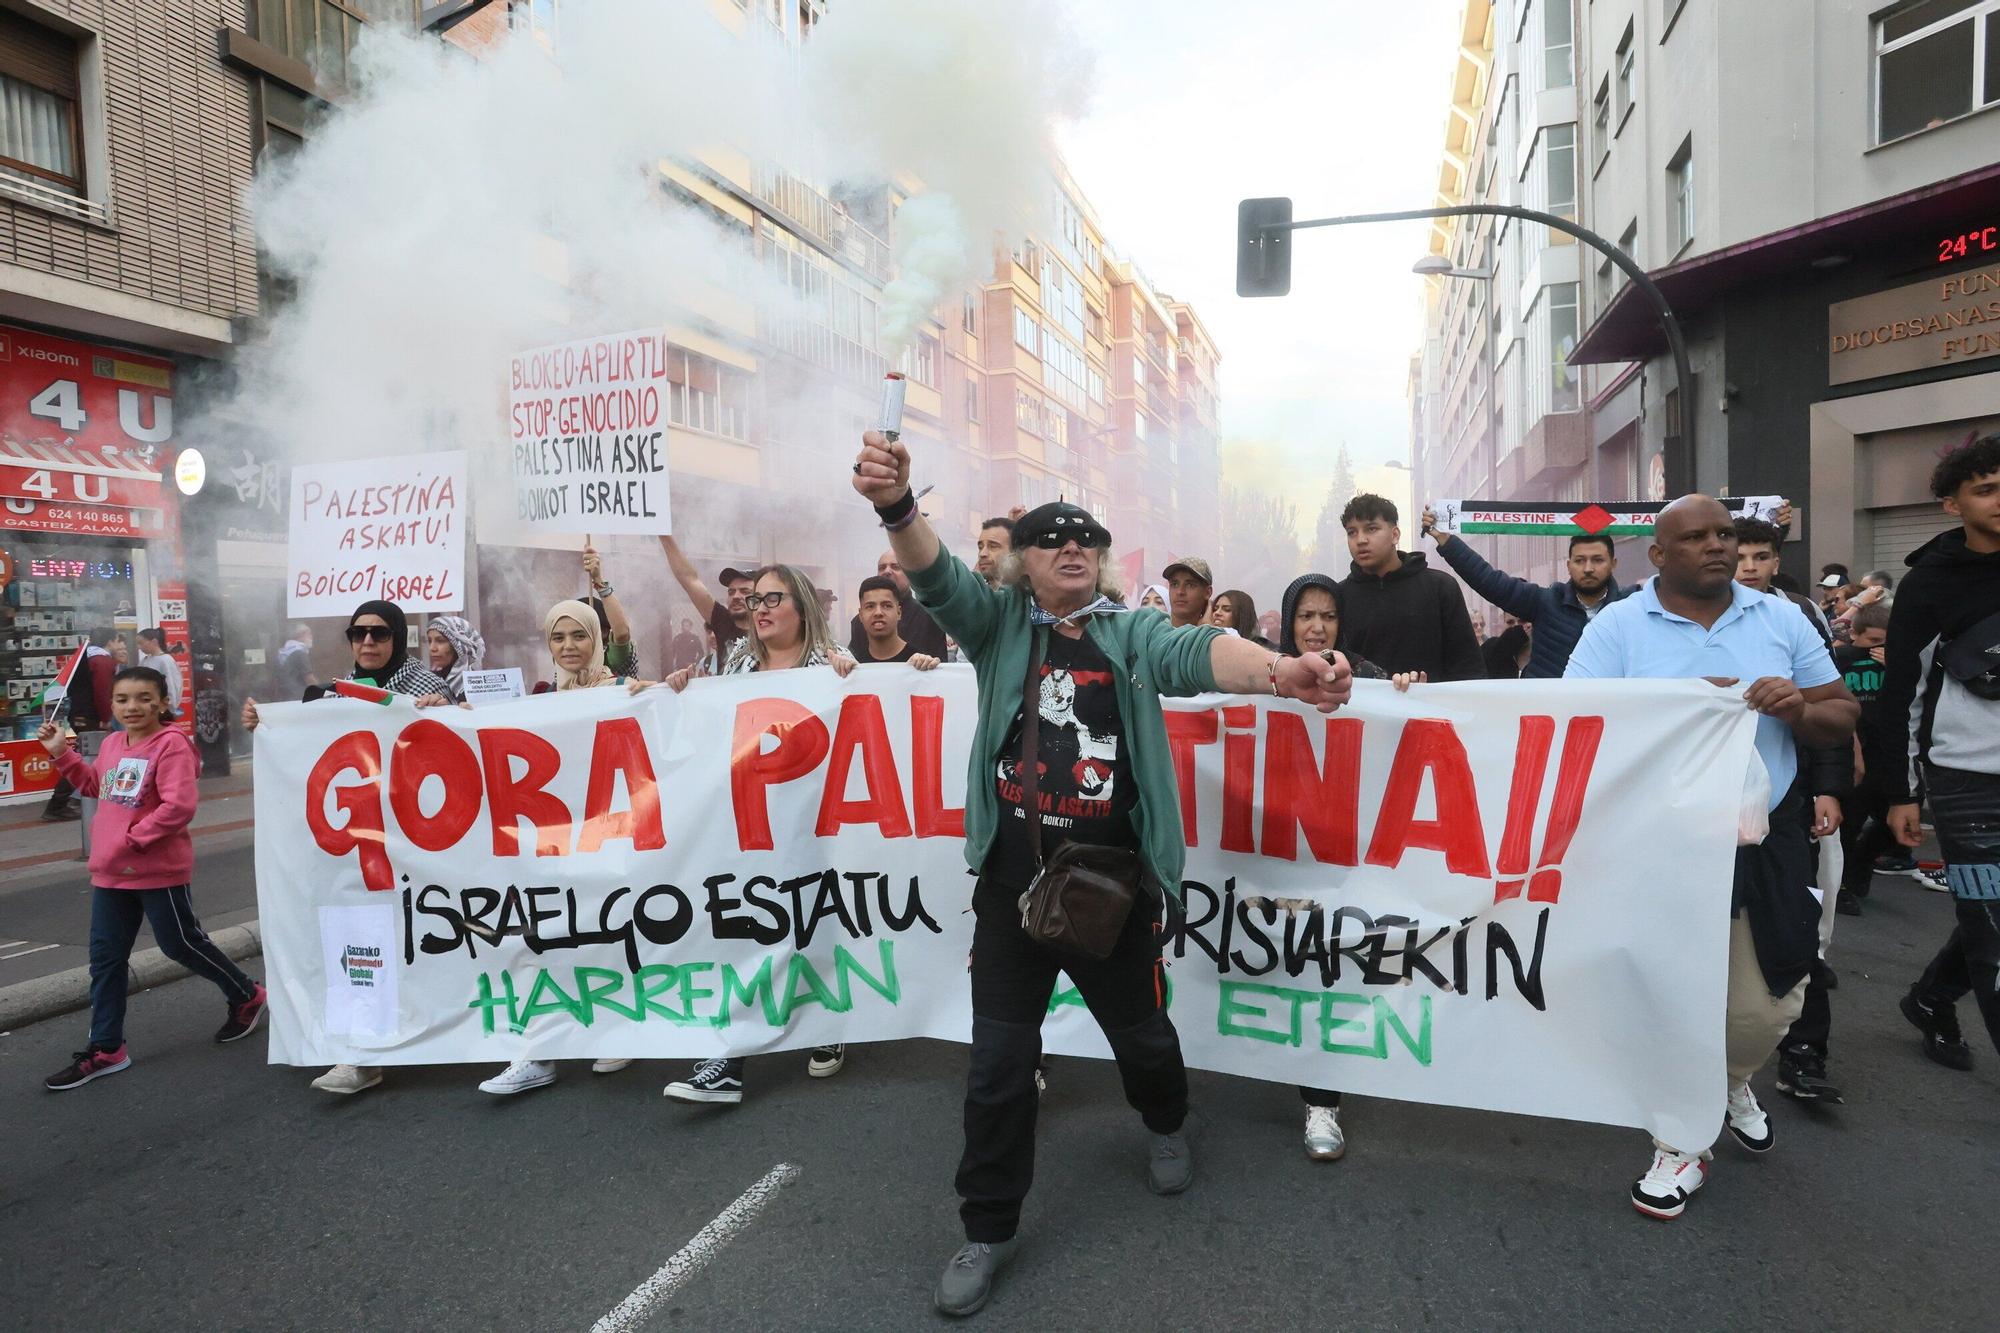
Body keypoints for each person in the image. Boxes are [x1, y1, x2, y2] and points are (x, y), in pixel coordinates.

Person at [851, 429, 1353, 1317]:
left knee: (1143, 1038)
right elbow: (933, 573)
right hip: (1012, 887)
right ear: (1024, 564)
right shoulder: (995, 623)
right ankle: (989, 1226)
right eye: (1052, 537)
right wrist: (896, 505)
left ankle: (1164, 1121)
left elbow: (1204, 653)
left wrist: (1283, 671)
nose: (1073, 546)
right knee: (998, 1064)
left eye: (1087, 537)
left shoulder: (1132, 633)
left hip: (1114, 886)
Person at [1565, 495, 1856, 1221]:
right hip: (1659, 841)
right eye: (1695, 537)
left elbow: (1841, 712)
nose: (1717, 546)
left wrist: (1794, 708)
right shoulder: (1619, 627)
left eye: (1725, 533)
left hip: (1765, 839)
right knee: (1670, 994)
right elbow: (1569, 720)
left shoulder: (1781, 619)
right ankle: (1682, 1140)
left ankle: (1728, 1079)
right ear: (1658, 555)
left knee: (1770, 998)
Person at [648, 564, 871, 1103]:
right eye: (758, 600)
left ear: (803, 609)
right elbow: (703, 724)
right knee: (748, 928)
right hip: (748, 826)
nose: (761, 608)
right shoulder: (737, 664)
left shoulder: (834, 664)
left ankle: (826, 1025)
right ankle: (728, 1057)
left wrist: (882, 676)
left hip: (814, 826)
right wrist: (678, 689)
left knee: (813, 922)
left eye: (776, 598)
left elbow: (873, 722)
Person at [244, 599, 449, 1097]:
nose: (368, 643)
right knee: (361, 944)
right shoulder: (331, 695)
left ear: (399, 637)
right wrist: (267, 726)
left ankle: (437, 1033)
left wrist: (451, 715)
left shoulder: (428, 690)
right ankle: (361, 1053)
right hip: (357, 849)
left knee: (420, 946)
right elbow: (303, 756)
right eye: (358, 634)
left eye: (379, 633)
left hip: (417, 847)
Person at [39, 666, 267, 1091]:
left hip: (156, 870)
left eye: (144, 698)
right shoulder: (110, 743)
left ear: (163, 703)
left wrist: (132, 839)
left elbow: (179, 806)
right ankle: (107, 1048)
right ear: (112, 705)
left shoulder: (172, 746)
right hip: (110, 874)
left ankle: (246, 994)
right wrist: (61, 753)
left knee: (180, 943)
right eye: (123, 699)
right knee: (105, 960)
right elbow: (96, 786)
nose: (133, 707)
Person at [1275, 573, 1422, 1162]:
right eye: (1306, 615)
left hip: (1342, 854)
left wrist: (1409, 690)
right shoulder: (1263, 676)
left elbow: (1404, 726)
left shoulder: (1369, 679)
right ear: (1288, 621)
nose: (1317, 627)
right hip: (1273, 852)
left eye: (1329, 617)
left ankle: (1322, 1101)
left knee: (1322, 972)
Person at [478, 599, 644, 1096]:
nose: (569, 647)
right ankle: (539, 1052)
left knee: (607, 929)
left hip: (609, 834)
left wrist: (656, 690)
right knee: (545, 936)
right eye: (558, 638)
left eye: (579, 636)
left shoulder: (620, 688)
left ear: (595, 639)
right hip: (553, 841)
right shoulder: (540, 694)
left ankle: (616, 1027)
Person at [1871, 433, 2000, 1069]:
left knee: (1991, 915)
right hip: (1966, 786)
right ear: (1953, 504)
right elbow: (1903, 693)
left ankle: (1932, 996)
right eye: (1986, 489)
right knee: (1992, 924)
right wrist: (1902, 792)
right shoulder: (1930, 584)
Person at [1422, 507, 1627, 677]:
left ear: (1614, 564)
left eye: (1597, 560)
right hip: (1549, 716)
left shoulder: (1630, 608)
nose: (1588, 568)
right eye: (1580, 560)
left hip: (1609, 719)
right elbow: (1491, 582)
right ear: (1568, 565)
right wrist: (1447, 541)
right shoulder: (1546, 602)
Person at [1340, 495, 1484, 681]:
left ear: (1395, 535)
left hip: (1432, 709)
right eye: (1352, 532)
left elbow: (1468, 668)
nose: (1360, 540)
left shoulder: (1440, 587)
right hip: (1358, 709)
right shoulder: (1340, 596)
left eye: (1371, 529)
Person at [41, 627, 119, 822]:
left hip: (79, 713)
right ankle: (57, 805)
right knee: (89, 758)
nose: (122, 645)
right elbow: (103, 691)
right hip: (92, 715)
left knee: (88, 757)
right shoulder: (101, 660)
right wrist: (106, 715)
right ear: (112, 640)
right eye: (120, 641)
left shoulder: (83, 657)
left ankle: (64, 802)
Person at [658, 533, 755, 673]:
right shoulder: (723, 621)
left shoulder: (772, 631)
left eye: (745, 591)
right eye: (731, 592)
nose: (736, 596)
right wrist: (663, 533)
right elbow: (688, 578)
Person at [850, 549, 949, 659]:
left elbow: (940, 668)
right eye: (882, 568)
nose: (887, 571)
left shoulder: (930, 618)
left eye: (896, 567)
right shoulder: (859, 623)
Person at [855, 574, 943, 665]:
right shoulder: (854, 666)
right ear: (860, 615)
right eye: (870, 606)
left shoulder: (920, 663)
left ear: (899, 612)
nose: (878, 612)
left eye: (886, 606)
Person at [582, 541, 639, 677]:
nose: (569, 645)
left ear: (605, 633)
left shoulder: (609, 661)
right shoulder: (550, 686)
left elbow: (622, 634)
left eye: (581, 634)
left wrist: (598, 581)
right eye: (560, 637)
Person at [423, 615, 485, 704]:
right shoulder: (428, 681)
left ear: (459, 645)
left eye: (440, 641)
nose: (432, 648)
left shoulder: (478, 685)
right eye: (429, 641)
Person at [136, 628, 181, 715]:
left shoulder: (165, 660)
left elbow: (171, 685)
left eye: (141, 643)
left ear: (154, 642)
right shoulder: (144, 660)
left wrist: (169, 707)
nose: (139, 647)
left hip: (161, 709)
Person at [1161, 557, 1212, 628]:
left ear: (1207, 592)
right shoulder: (1151, 632)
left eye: (1190, 585)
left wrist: (1206, 631)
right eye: (1175, 584)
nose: (1180, 592)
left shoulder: (1223, 636)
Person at [275, 623, 317, 700]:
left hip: (285, 697)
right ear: (301, 635)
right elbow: (310, 680)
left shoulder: (283, 653)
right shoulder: (300, 653)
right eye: (309, 634)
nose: (311, 637)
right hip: (299, 698)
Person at [974, 516, 1016, 588]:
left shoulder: (1030, 597)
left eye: (993, 546)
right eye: (980, 547)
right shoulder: (974, 593)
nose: (982, 553)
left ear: (1014, 552)